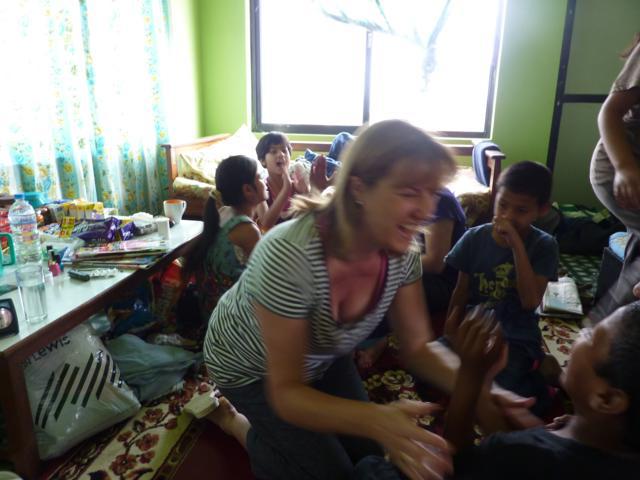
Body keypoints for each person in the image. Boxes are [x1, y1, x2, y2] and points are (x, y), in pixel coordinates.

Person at [202, 120, 536, 480]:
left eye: (432, 192)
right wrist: (374, 418)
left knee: (369, 453)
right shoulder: (289, 254)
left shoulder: (401, 252)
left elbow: (418, 348)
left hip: (323, 356)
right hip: (250, 368)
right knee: (332, 473)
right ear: (359, 188)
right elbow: (286, 392)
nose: (426, 209)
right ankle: (239, 425)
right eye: (409, 192)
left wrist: (484, 391)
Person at [353, 302, 640, 479]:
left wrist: (470, 374)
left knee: (371, 468)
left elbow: (457, 460)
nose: (580, 332)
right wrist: (485, 382)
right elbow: (513, 443)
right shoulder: (606, 442)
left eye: (591, 335)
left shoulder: (524, 455)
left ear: (606, 399)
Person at [444, 161, 559, 416]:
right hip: (475, 326)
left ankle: (540, 372)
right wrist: (450, 330)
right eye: (502, 205)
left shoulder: (544, 246)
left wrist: (517, 246)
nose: (507, 216)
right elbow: (461, 291)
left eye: (521, 210)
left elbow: (530, 301)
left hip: (515, 335)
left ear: (541, 210)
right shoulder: (474, 237)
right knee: (434, 368)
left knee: (507, 390)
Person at [355, 187, 466, 369]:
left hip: (442, 282)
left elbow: (435, 262)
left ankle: (375, 340)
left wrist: (385, 268)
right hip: (418, 271)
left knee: (383, 287)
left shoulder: (442, 201)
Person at [589, 32, 640, 324]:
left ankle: (606, 332)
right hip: (622, 165)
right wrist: (625, 167)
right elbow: (609, 111)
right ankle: (606, 332)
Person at [182, 154, 267, 321]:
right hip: (232, 319)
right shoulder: (247, 231)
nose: (265, 182)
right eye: (260, 178)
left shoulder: (223, 213)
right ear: (247, 190)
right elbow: (267, 278)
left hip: (212, 312)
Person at [255, 131, 346, 230]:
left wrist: (305, 193)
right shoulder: (261, 188)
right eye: (273, 151)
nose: (281, 154)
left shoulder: (297, 185)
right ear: (263, 161)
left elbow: (310, 217)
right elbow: (265, 224)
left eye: (284, 150)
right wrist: (286, 189)